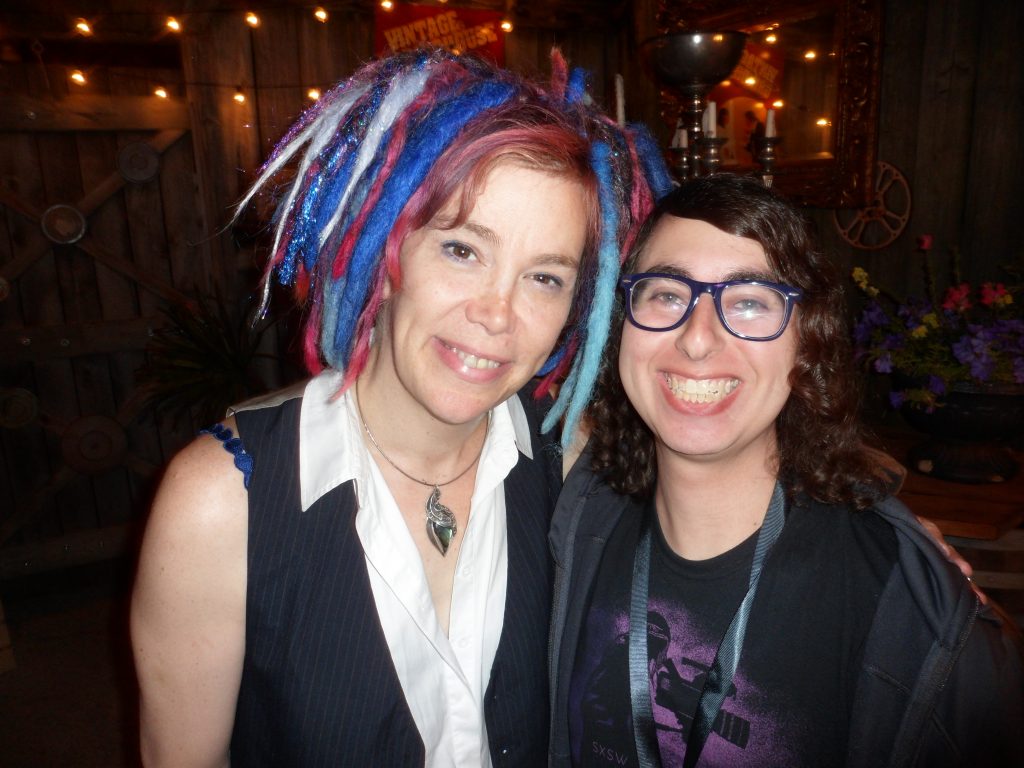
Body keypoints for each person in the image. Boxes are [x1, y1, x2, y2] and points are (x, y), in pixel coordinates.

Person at [130, 48, 672, 767]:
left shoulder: (573, 469)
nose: (497, 313)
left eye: (544, 277)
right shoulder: (222, 500)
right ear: (381, 251)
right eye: (461, 250)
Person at [548, 174, 1024, 767]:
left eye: (749, 302)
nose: (698, 340)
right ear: (621, 326)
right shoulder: (579, 517)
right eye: (667, 294)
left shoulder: (902, 603)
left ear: (806, 344)